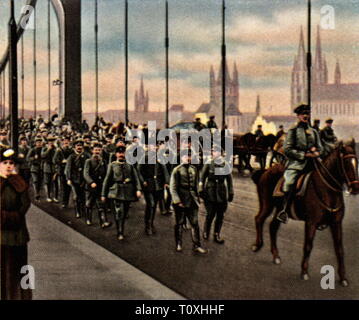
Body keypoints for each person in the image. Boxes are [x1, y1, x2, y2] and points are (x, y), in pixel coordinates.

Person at [277, 104, 323, 224]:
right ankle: (284, 210)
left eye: (307, 113)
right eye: (303, 114)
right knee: (289, 182)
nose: (305, 116)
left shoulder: (314, 131)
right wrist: (304, 155)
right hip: (297, 164)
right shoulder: (293, 130)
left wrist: (316, 151)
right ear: (298, 116)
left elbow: (320, 147)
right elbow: (287, 149)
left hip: (314, 163)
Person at [0, 147, 32, 300]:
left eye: (11, 163)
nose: (8, 166)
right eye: (4, 162)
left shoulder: (19, 183)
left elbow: (25, 205)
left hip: (18, 236)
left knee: (19, 273)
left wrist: (12, 217)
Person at [169, 150, 208, 254]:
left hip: (192, 201)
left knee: (195, 223)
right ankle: (178, 243)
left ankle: (197, 245)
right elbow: (173, 188)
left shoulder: (193, 169)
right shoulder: (177, 170)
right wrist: (177, 201)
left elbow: (195, 186)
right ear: (181, 157)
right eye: (185, 156)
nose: (188, 158)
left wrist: (198, 198)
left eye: (189, 156)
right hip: (181, 201)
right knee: (179, 223)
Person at [101, 146, 142, 241]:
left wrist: (138, 189)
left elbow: (136, 178)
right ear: (116, 154)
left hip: (128, 191)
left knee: (124, 212)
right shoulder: (112, 165)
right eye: (119, 153)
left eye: (123, 153)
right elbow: (106, 180)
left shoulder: (130, 165)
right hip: (116, 191)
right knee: (119, 212)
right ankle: (120, 232)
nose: (121, 155)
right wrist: (103, 194)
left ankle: (120, 228)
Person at [199, 147, 234, 244]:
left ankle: (216, 234)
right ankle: (206, 231)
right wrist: (200, 189)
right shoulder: (209, 163)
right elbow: (202, 178)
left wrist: (231, 192)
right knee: (210, 214)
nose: (213, 153)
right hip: (210, 191)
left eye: (216, 152)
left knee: (220, 215)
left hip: (222, 192)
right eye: (212, 152)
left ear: (221, 153)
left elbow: (229, 180)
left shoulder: (225, 165)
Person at [138, 143, 170, 235]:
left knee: (154, 205)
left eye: (156, 146)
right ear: (148, 147)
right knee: (151, 204)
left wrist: (167, 182)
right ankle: (148, 226)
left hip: (158, 185)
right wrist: (142, 181)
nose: (155, 147)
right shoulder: (144, 157)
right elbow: (139, 171)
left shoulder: (160, 157)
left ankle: (151, 224)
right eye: (153, 146)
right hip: (148, 185)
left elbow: (165, 170)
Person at [83, 142, 111, 228]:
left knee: (101, 204)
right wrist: (91, 182)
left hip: (100, 186)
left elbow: (106, 173)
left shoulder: (104, 161)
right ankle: (88, 219)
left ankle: (103, 222)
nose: (97, 152)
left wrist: (106, 183)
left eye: (99, 150)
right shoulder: (88, 161)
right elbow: (85, 174)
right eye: (95, 150)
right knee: (89, 204)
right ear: (92, 151)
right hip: (91, 186)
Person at [65, 139, 90, 218]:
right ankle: (77, 211)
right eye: (77, 146)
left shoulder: (86, 155)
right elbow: (68, 169)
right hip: (74, 179)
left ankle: (83, 210)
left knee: (83, 196)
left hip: (83, 179)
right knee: (76, 196)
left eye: (80, 146)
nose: (79, 147)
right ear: (74, 147)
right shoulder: (71, 157)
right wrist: (68, 178)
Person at [53, 136, 73, 208]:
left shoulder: (72, 150)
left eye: (67, 141)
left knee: (69, 188)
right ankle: (64, 202)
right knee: (63, 187)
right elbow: (54, 160)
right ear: (62, 142)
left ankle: (67, 201)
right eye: (64, 141)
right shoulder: (59, 150)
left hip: (70, 171)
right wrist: (61, 161)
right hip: (62, 170)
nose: (66, 142)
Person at [41, 137, 57, 202]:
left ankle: (54, 196)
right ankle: (48, 196)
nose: (51, 143)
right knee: (47, 182)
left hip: (53, 167)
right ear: (48, 142)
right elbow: (43, 155)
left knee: (53, 182)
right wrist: (48, 150)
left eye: (52, 141)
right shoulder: (45, 148)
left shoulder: (55, 149)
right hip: (47, 167)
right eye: (50, 142)